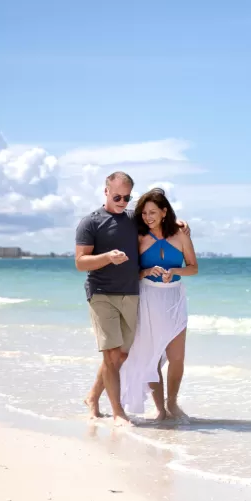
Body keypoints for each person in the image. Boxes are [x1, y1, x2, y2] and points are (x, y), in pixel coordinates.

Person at [75, 172, 189, 426]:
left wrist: (177, 221)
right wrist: (107, 257)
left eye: (127, 197)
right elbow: (80, 262)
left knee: (124, 355)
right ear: (105, 191)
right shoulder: (90, 222)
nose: (123, 201)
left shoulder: (132, 219)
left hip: (132, 293)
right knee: (112, 354)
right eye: (117, 196)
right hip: (102, 292)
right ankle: (117, 413)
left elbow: (157, 220)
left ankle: (93, 395)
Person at [120, 188, 198, 422]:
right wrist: (145, 271)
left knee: (177, 358)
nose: (148, 217)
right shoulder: (139, 237)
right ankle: (160, 409)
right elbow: (128, 271)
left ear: (165, 212)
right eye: (144, 213)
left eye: (153, 212)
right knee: (152, 355)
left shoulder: (181, 235)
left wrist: (175, 270)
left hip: (174, 298)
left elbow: (193, 267)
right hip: (148, 299)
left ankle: (172, 402)